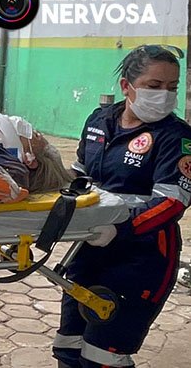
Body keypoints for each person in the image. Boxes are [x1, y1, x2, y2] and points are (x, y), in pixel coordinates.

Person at [53, 45, 191, 368]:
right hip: (88, 251)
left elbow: (172, 203)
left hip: (143, 259)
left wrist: (120, 228)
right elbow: (81, 177)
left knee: (102, 356)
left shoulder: (177, 138)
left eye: (172, 87)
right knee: (69, 346)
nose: (165, 95)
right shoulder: (100, 121)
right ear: (126, 87)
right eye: (154, 86)